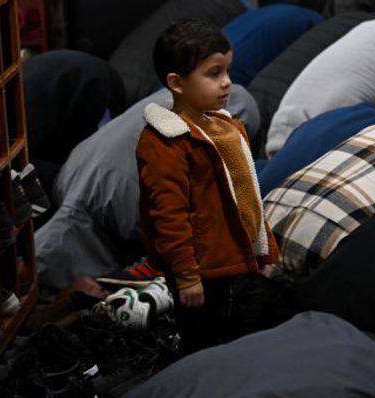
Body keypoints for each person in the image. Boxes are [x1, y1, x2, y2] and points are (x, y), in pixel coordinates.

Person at [136, 19, 279, 353]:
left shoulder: (224, 127)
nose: (227, 83)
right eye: (214, 74)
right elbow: (169, 214)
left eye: (228, 71)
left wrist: (263, 250)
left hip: (232, 258)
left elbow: (246, 196)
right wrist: (186, 275)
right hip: (201, 269)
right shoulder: (165, 142)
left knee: (235, 335)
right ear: (177, 83)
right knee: (203, 342)